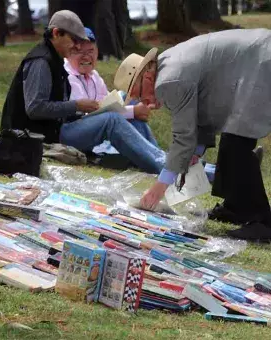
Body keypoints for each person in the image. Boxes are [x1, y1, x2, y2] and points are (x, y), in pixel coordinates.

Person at [114, 29, 271, 241]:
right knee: (231, 138)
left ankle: (263, 222)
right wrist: (195, 151)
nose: (145, 103)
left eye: (140, 94)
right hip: (255, 58)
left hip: (261, 62)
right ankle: (237, 207)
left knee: (237, 143)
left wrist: (159, 188)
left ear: (148, 76)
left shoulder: (168, 82)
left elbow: (183, 136)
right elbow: (202, 114)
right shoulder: (167, 69)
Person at [64, 27, 216, 180]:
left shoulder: (94, 75)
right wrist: (132, 111)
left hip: (91, 129)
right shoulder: (68, 76)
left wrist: (131, 108)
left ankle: (157, 155)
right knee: (113, 119)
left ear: (97, 50)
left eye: (90, 51)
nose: (86, 56)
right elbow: (90, 116)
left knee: (126, 103)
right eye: (79, 52)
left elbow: (104, 106)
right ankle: (163, 162)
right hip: (70, 130)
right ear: (68, 53)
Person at [0, 10, 99, 143]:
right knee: (111, 121)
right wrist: (76, 106)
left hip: (50, 132)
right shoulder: (41, 61)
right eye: (74, 40)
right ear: (56, 33)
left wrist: (80, 112)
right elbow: (35, 108)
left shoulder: (55, 59)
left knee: (110, 119)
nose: (78, 46)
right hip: (29, 138)